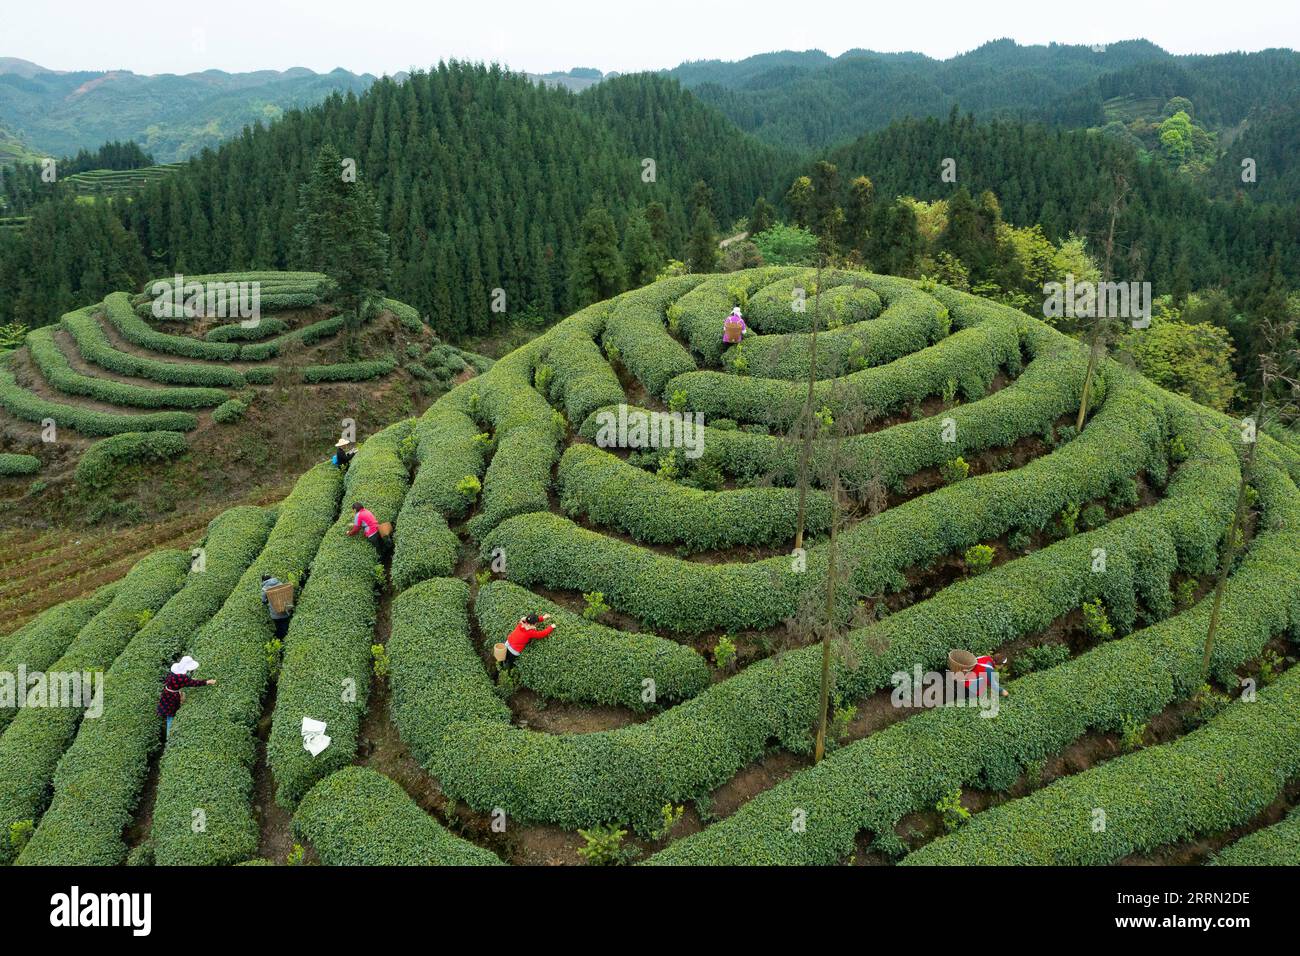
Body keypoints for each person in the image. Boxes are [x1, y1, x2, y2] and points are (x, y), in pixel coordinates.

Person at [157, 656, 216, 739]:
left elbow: (182, 681)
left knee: (169, 714)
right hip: (172, 697)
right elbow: (193, 683)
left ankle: (168, 735)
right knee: (171, 715)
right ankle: (169, 737)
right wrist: (207, 682)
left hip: (166, 693)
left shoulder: (174, 672)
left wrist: (187, 680)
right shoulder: (182, 678)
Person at [261, 573, 292, 640]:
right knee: (286, 624)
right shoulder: (280, 583)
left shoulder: (265, 589)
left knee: (279, 627)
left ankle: (281, 640)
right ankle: (288, 637)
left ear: (263, 580)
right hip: (285, 608)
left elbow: (263, 600)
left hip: (275, 612)